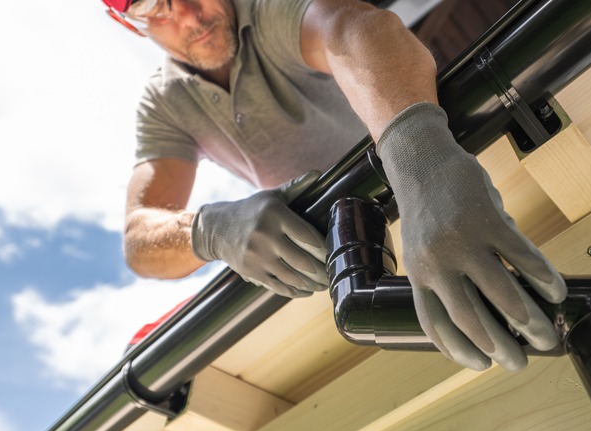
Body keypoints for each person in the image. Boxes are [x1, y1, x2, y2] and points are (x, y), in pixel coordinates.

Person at [102, 0, 567, 372]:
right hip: (333, 248)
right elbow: (140, 238)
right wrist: (208, 228)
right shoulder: (164, 104)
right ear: (128, 24)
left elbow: (352, 29)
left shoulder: (263, 9)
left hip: (437, 185)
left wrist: (418, 157)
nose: (189, 15)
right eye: (154, 8)